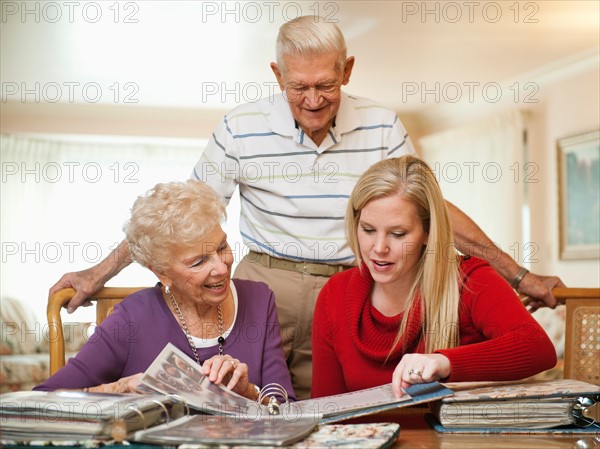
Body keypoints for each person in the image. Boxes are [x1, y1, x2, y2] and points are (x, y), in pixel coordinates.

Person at [49, 16, 564, 399]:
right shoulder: (239, 127)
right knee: (253, 402)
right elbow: (181, 220)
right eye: (298, 87)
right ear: (277, 74)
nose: (313, 100)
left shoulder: (382, 125)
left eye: (326, 85)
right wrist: (98, 272)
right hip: (266, 282)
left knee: (327, 408)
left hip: (348, 281)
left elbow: (427, 209)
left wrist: (520, 276)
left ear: (348, 70)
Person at [311, 155, 557, 399]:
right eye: (368, 230)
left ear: (428, 232)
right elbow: (325, 407)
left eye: (398, 233)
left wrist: (444, 362)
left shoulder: (470, 281)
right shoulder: (335, 294)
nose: (379, 248)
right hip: (361, 439)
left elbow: (538, 348)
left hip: (449, 440)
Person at [36, 180, 296, 402]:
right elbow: (44, 398)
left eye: (221, 247)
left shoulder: (259, 299)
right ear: (161, 272)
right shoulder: (132, 317)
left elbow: (284, 403)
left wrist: (248, 391)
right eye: (199, 262)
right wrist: (118, 388)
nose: (221, 267)